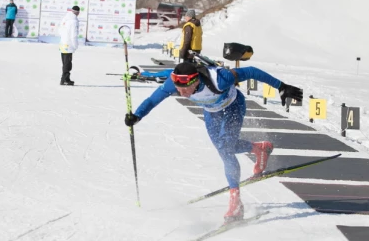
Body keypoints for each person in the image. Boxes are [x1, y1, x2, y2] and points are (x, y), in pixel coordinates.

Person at [124, 59, 304, 223]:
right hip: (211, 112)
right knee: (224, 148)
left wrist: (281, 86)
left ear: (195, 81)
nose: (182, 92)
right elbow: (153, 100)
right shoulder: (175, 83)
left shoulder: (220, 79)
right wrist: (137, 116)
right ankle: (259, 149)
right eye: (178, 89)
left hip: (233, 106)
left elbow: (251, 71)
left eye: (185, 89)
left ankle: (236, 203)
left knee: (226, 149)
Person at [59, 5, 80, 86]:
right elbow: (73, 35)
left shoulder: (65, 19)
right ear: (77, 13)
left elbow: (59, 30)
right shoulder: (74, 21)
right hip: (69, 44)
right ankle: (64, 79)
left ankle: (66, 79)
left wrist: (63, 38)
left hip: (62, 43)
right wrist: (75, 46)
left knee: (64, 62)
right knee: (68, 63)